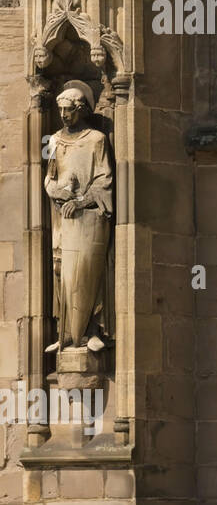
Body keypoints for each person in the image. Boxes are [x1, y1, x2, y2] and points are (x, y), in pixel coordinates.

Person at [44, 83, 113, 353]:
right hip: (62, 217)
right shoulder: (52, 141)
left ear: (81, 110)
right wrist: (58, 190)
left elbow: (104, 179)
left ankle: (91, 330)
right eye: (60, 110)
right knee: (61, 269)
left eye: (68, 110)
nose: (63, 115)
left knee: (87, 269)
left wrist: (81, 201)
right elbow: (48, 179)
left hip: (88, 216)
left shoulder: (96, 140)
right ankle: (66, 333)